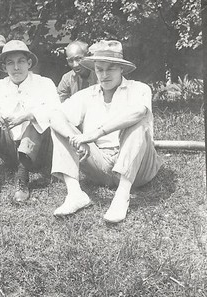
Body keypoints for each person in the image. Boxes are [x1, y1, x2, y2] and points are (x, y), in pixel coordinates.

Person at [49, 40, 162, 223]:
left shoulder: (139, 88)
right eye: (99, 69)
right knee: (59, 127)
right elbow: (54, 116)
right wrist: (75, 138)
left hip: (138, 169)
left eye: (111, 69)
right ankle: (75, 194)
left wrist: (95, 134)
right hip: (101, 165)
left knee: (137, 123)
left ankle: (122, 197)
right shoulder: (87, 94)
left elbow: (139, 112)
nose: (104, 74)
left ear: (122, 70)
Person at [0, 40, 60, 205]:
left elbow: (56, 111)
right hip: (10, 150)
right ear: (4, 67)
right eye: (10, 63)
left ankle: (22, 179)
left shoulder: (44, 84)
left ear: (29, 63)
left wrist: (28, 115)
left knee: (34, 119)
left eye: (21, 61)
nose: (16, 67)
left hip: (39, 151)